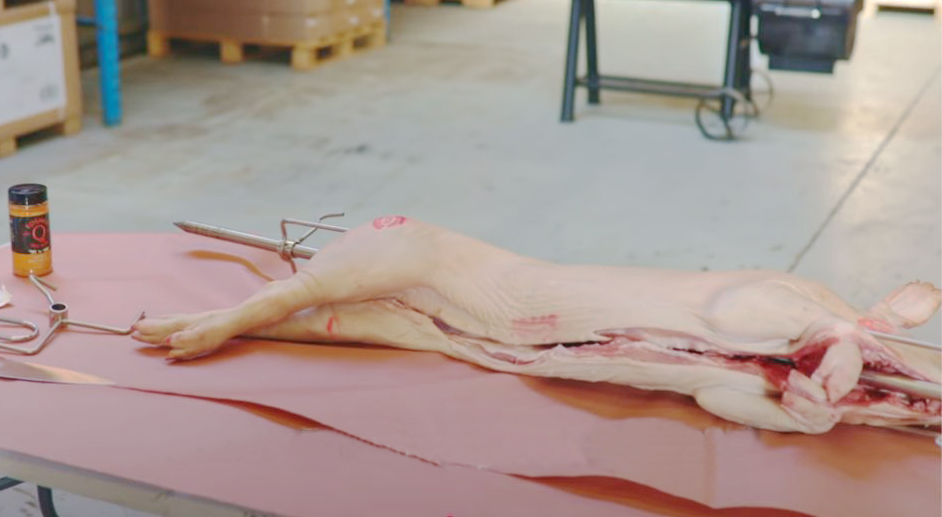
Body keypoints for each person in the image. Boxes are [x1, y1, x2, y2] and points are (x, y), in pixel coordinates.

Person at [132, 215, 941, 433]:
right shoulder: (805, 302)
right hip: (476, 284)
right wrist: (838, 336)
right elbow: (734, 309)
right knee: (292, 309)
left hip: (478, 342)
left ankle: (232, 319)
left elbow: (710, 396)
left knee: (322, 325)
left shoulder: (833, 391)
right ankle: (230, 314)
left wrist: (794, 416)